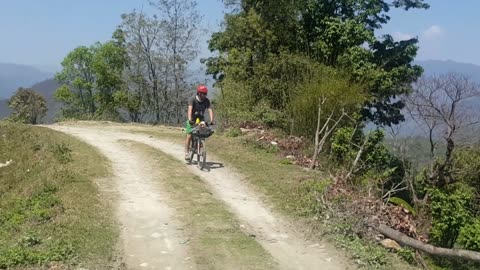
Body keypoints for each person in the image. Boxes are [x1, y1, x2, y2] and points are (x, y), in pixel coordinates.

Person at [185, 84, 214, 160]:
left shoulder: (206, 101)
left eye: (206, 94)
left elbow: (210, 110)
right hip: (192, 119)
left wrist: (211, 120)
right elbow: (190, 109)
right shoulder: (193, 99)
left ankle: (200, 144)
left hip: (201, 119)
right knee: (189, 135)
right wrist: (190, 119)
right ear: (199, 93)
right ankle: (187, 153)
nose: (205, 95)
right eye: (203, 94)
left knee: (203, 132)